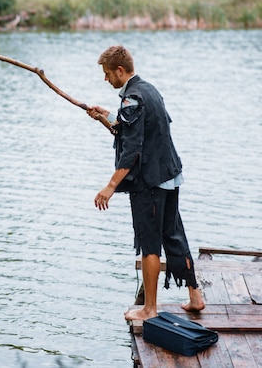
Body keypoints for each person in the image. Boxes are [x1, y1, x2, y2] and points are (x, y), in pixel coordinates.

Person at [87, 45, 205, 321]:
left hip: (150, 181)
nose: (106, 79)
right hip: (169, 175)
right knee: (173, 234)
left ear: (119, 70)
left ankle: (150, 308)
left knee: (150, 244)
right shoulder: (148, 89)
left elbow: (132, 150)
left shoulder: (131, 98)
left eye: (107, 74)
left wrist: (110, 187)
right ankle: (195, 297)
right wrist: (105, 116)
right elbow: (134, 129)